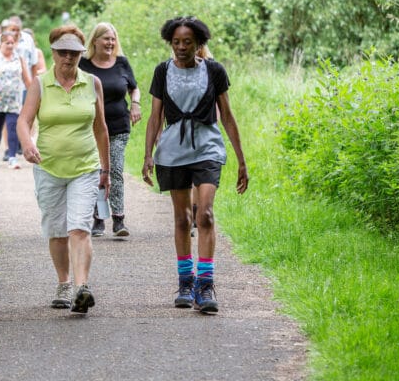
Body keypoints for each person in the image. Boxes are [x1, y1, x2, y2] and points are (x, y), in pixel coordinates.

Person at [141, 16, 248, 314]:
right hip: (173, 150)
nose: (181, 47)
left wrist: (241, 159)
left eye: (187, 42)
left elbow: (227, 115)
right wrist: (148, 154)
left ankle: (206, 284)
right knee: (182, 219)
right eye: (176, 42)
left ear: (198, 43)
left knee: (206, 214)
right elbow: (155, 116)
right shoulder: (162, 71)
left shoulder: (214, 71)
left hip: (207, 147)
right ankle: (185, 282)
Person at [17, 25, 110, 314]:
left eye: (74, 53)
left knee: (79, 227)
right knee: (57, 231)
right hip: (49, 167)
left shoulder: (93, 83)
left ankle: (82, 288)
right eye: (62, 52)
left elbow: (101, 129)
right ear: (53, 53)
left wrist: (106, 170)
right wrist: (27, 144)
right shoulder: (40, 84)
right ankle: (64, 283)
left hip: (85, 166)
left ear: (82, 54)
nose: (68, 58)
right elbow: (24, 120)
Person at [80, 22, 141, 237]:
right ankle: (98, 219)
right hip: (91, 128)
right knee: (96, 172)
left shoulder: (122, 63)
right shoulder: (83, 64)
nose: (110, 43)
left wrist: (135, 104)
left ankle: (118, 219)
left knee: (114, 170)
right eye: (106, 38)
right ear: (95, 40)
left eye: (113, 39)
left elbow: (134, 88)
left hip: (118, 126)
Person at [0, 30, 32, 169]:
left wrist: (34, 95)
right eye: (7, 43)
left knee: (12, 127)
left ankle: (12, 157)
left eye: (12, 43)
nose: (10, 45)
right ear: (1, 44)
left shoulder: (19, 58)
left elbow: (27, 80)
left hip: (14, 100)